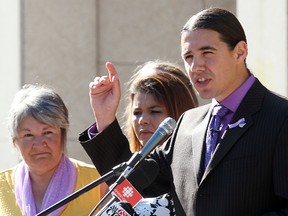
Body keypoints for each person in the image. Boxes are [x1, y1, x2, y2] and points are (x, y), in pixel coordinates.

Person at [80, 7, 288, 215]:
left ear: (240, 52)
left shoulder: (280, 117)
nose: (196, 66)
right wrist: (105, 117)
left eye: (207, 53)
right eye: (188, 57)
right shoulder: (187, 124)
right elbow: (133, 186)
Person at [79, 60, 198, 215]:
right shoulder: (141, 171)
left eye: (154, 111)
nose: (143, 120)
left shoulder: (196, 165)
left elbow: (153, 187)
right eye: (137, 112)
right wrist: (104, 115)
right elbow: (133, 189)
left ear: (181, 111)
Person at [0, 84, 105, 216]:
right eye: (28, 135)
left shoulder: (97, 182)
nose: (38, 143)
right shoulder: (2, 186)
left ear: (62, 134)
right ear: (15, 141)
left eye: (47, 132)